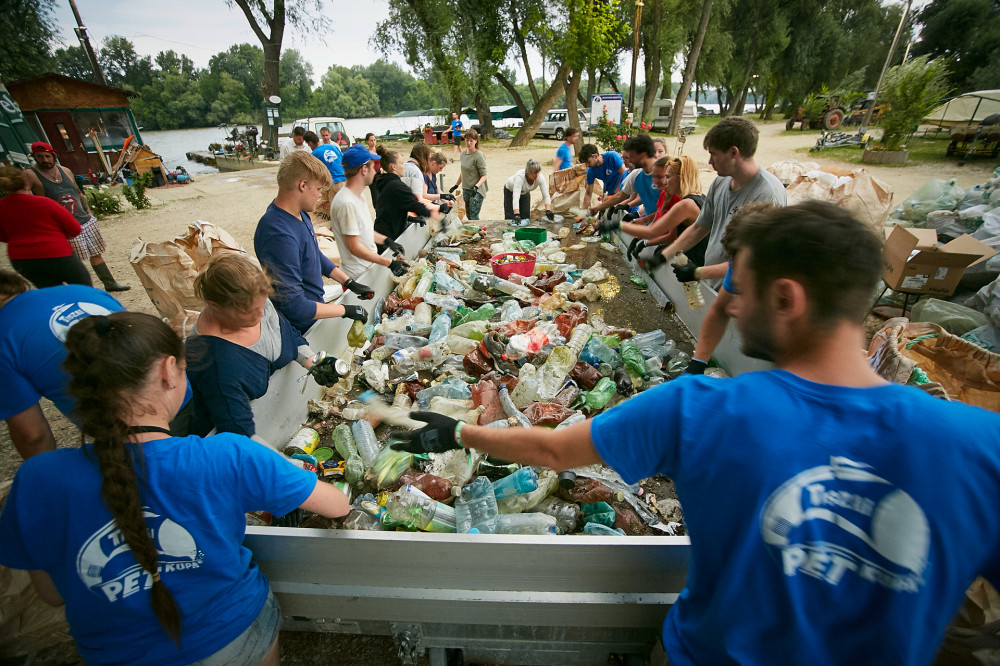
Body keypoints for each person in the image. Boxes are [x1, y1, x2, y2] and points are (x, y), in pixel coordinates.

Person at [392, 202, 1000, 666]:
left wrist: (461, 434)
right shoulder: (979, 445)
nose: (730, 304)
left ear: (785, 297)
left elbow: (554, 448)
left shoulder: (698, 409)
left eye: (742, 286)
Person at [0, 311, 351, 665]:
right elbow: (336, 505)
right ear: (170, 371)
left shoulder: (36, 479)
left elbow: (51, 594)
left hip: (114, 653)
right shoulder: (228, 454)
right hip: (232, 635)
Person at [185, 254, 347, 440]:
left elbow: (285, 333)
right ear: (216, 306)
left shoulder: (255, 302)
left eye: (263, 305)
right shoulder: (215, 364)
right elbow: (239, 439)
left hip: (272, 419)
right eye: (251, 312)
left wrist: (313, 362)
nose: (261, 314)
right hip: (233, 440)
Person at [640, 117, 786, 289]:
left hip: (738, 291)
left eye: (713, 154)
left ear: (733, 152)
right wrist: (664, 256)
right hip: (712, 282)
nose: (709, 162)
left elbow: (753, 262)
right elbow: (699, 227)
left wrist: (698, 272)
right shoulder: (720, 182)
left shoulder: (767, 194)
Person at [0, 269, 124, 459]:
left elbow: (33, 436)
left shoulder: (4, 335)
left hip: (117, 429)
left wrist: (44, 476)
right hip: (177, 399)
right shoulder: (84, 291)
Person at [253, 151, 372, 334]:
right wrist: (345, 310)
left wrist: (348, 282)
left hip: (315, 311)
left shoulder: (300, 214)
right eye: (318, 190)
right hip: (300, 326)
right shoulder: (278, 233)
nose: (320, 196)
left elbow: (313, 254)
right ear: (303, 185)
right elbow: (294, 305)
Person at [683, 200, 777, 375]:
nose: (733, 308)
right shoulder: (743, 264)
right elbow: (720, 309)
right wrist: (698, 362)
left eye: (744, 291)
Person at [23, 142, 130, 292]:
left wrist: (88, 211)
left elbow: (78, 193)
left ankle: (110, 283)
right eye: (40, 157)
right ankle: (84, 291)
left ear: (53, 156)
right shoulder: (30, 174)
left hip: (83, 220)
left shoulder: (65, 171)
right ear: (34, 157)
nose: (45, 160)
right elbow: (26, 200)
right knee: (73, 261)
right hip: (61, 225)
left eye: (48, 156)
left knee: (96, 253)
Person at [600, 156, 706, 262]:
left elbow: (652, 231)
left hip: (698, 263)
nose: (665, 182)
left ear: (682, 177)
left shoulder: (686, 205)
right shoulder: (700, 198)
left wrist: (617, 225)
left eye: (668, 177)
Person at [330, 144, 412, 280]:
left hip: (368, 268)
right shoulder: (346, 203)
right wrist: (389, 263)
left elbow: (363, 231)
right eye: (373, 167)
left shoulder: (359, 195)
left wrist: (386, 240)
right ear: (364, 169)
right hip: (358, 275)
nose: (375, 171)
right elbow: (354, 247)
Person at [0, 166, 91, 288]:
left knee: (52, 292)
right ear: (25, 181)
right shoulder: (44, 203)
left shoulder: (2, 207)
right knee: (84, 288)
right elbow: (74, 228)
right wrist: (57, 237)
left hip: (21, 258)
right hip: (56, 252)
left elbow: (3, 236)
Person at [373, 146, 444, 241]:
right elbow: (416, 205)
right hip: (387, 236)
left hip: (383, 231)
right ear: (393, 167)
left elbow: (393, 208)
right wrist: (436, 216)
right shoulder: (396, 186)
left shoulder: (385, 182)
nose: (404, 167)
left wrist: (408, 218)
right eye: (402, 164)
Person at [592, 135, 658, 223]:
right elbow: (620, 195)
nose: (629, 161)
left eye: (631, 157)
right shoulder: (636, 175)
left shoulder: (664, 175)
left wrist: (639, 216)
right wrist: (598, 208)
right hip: (650, 226)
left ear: (642, 154)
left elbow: (667, 207)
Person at [306, 131, 345, 228]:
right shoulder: (333, 147)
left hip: (334, 184)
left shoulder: (314, 154)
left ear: (310, 143)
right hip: (346, 181)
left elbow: (314, 174)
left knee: (336, 215)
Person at [449, 129, 487, 221]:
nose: (469, 143)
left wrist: (476, 187)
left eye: (471, 141)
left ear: (475, 141)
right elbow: (463, 172)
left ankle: (478, 233)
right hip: (466, 188)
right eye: (467, 140)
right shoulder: (463, 154)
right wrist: (456, 185)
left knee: (474, 216)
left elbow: (484, 175)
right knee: (469, 215)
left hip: (476, 190)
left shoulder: (479, 155)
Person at [503, 159, 553, 226]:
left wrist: (548, 210)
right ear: (528, 172)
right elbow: (516, 197)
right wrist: (516, 214)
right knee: (512, 217)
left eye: (538, 172)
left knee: (526, 217)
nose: (537, 175)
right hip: (511, 191)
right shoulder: (520, 177)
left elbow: (546, 195)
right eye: (534, 173)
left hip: (525, 192)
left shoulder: (540, 177)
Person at [580, 144, 626, 210]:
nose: (587, 165)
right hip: (610, 194)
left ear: (595, 156)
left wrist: (615, 193)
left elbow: (625, 176)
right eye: (585, 163)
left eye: (588, 162)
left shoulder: (612, 156)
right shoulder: (590, 171)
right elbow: (588, 194)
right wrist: (582, 213)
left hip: (624, 192)